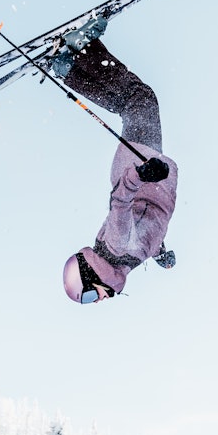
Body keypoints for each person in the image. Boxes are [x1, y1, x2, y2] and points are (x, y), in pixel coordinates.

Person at [50, 17, 178, 304]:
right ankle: (69, 65)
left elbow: (121, 202)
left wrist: (142, 174)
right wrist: (159, 252)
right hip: (145, 171)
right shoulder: (122, 256)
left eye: (90, 295)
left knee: (140, 99)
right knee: (131, 102)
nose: (99, 300)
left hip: (143, 168)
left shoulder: (117, 246)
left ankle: (83, 52)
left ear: (92, 275)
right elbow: (144, 227)